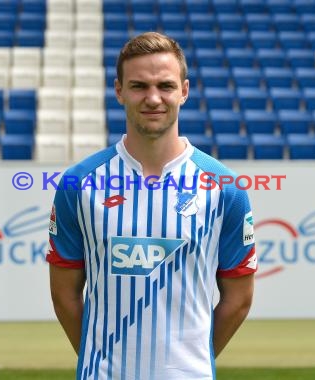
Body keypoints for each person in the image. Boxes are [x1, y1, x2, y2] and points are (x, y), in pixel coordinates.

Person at [47, 32, 256, 380]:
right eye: (139, 86)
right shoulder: (78, 183)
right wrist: (97, 359)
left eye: (166, 86)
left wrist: (188, 361)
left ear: (184, 91)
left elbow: (239, 299)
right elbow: (64, 294)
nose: (153, 98)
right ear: (119, 91)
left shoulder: (226, 189)